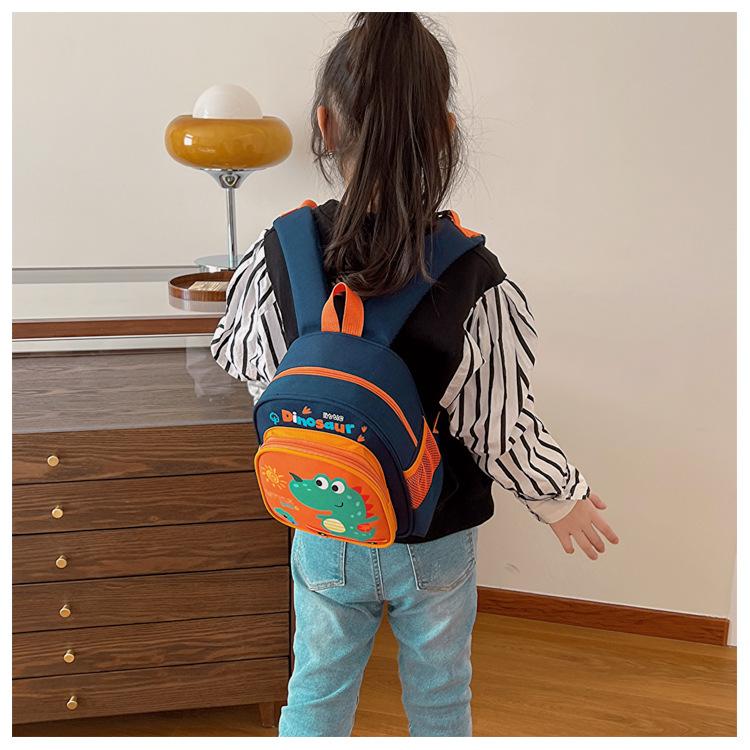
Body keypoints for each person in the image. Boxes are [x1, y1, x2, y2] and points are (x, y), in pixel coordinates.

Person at [210, 12, 619, 738]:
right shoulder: (472, 276)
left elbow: (258, 374)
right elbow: (500, 428)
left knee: (315, 690)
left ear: (323, 124)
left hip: (324, 520)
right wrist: (563, 498)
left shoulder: (278, 253)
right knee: (439, 697)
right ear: (445, 133)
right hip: (434, 536)